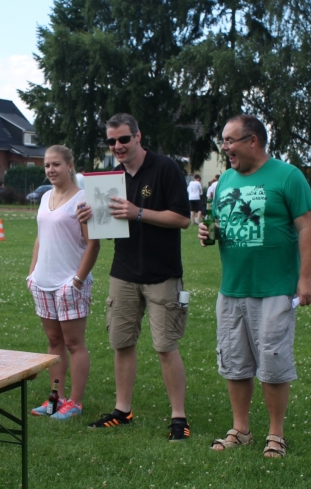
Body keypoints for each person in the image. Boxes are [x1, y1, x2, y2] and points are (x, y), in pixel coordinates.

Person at [199, 114, 311, 458]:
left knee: (273, 363)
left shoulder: (288, 176)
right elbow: (220, 223)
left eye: (230, 140)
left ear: (253, 141)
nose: (225, 148)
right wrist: (208, 233)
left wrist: (305, 278)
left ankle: (276, 434)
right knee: (234, 361)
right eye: (223, 140)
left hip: (275, 288)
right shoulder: (225, 181)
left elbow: (307, 228)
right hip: (232, 287)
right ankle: (241, 429)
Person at [77, 113, 192, 440]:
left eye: (124, 139)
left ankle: (179, 418)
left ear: (138, 136)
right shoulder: (111, 178)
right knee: (122, 343)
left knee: (165, 346)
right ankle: (122, 410)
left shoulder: (165, 168)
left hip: (162, 274)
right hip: (123, 272)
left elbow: (182, 218)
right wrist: (90, 217)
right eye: (112, 141)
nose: (118, 146)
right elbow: (107, 229)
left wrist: (138, 212)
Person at [28, 145, 99, 420]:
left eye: (56, 164)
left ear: (70, 166)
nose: (51, 170)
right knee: (54, 341)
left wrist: (78, 280)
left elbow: (93, 244)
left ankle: (75, 402)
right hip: (43, 282)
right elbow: (40, 237)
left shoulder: (82, 200)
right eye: (47, 165)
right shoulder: (46, 196)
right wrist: (32, 273)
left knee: (74, 343)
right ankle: (55, 399)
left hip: (69, 283)